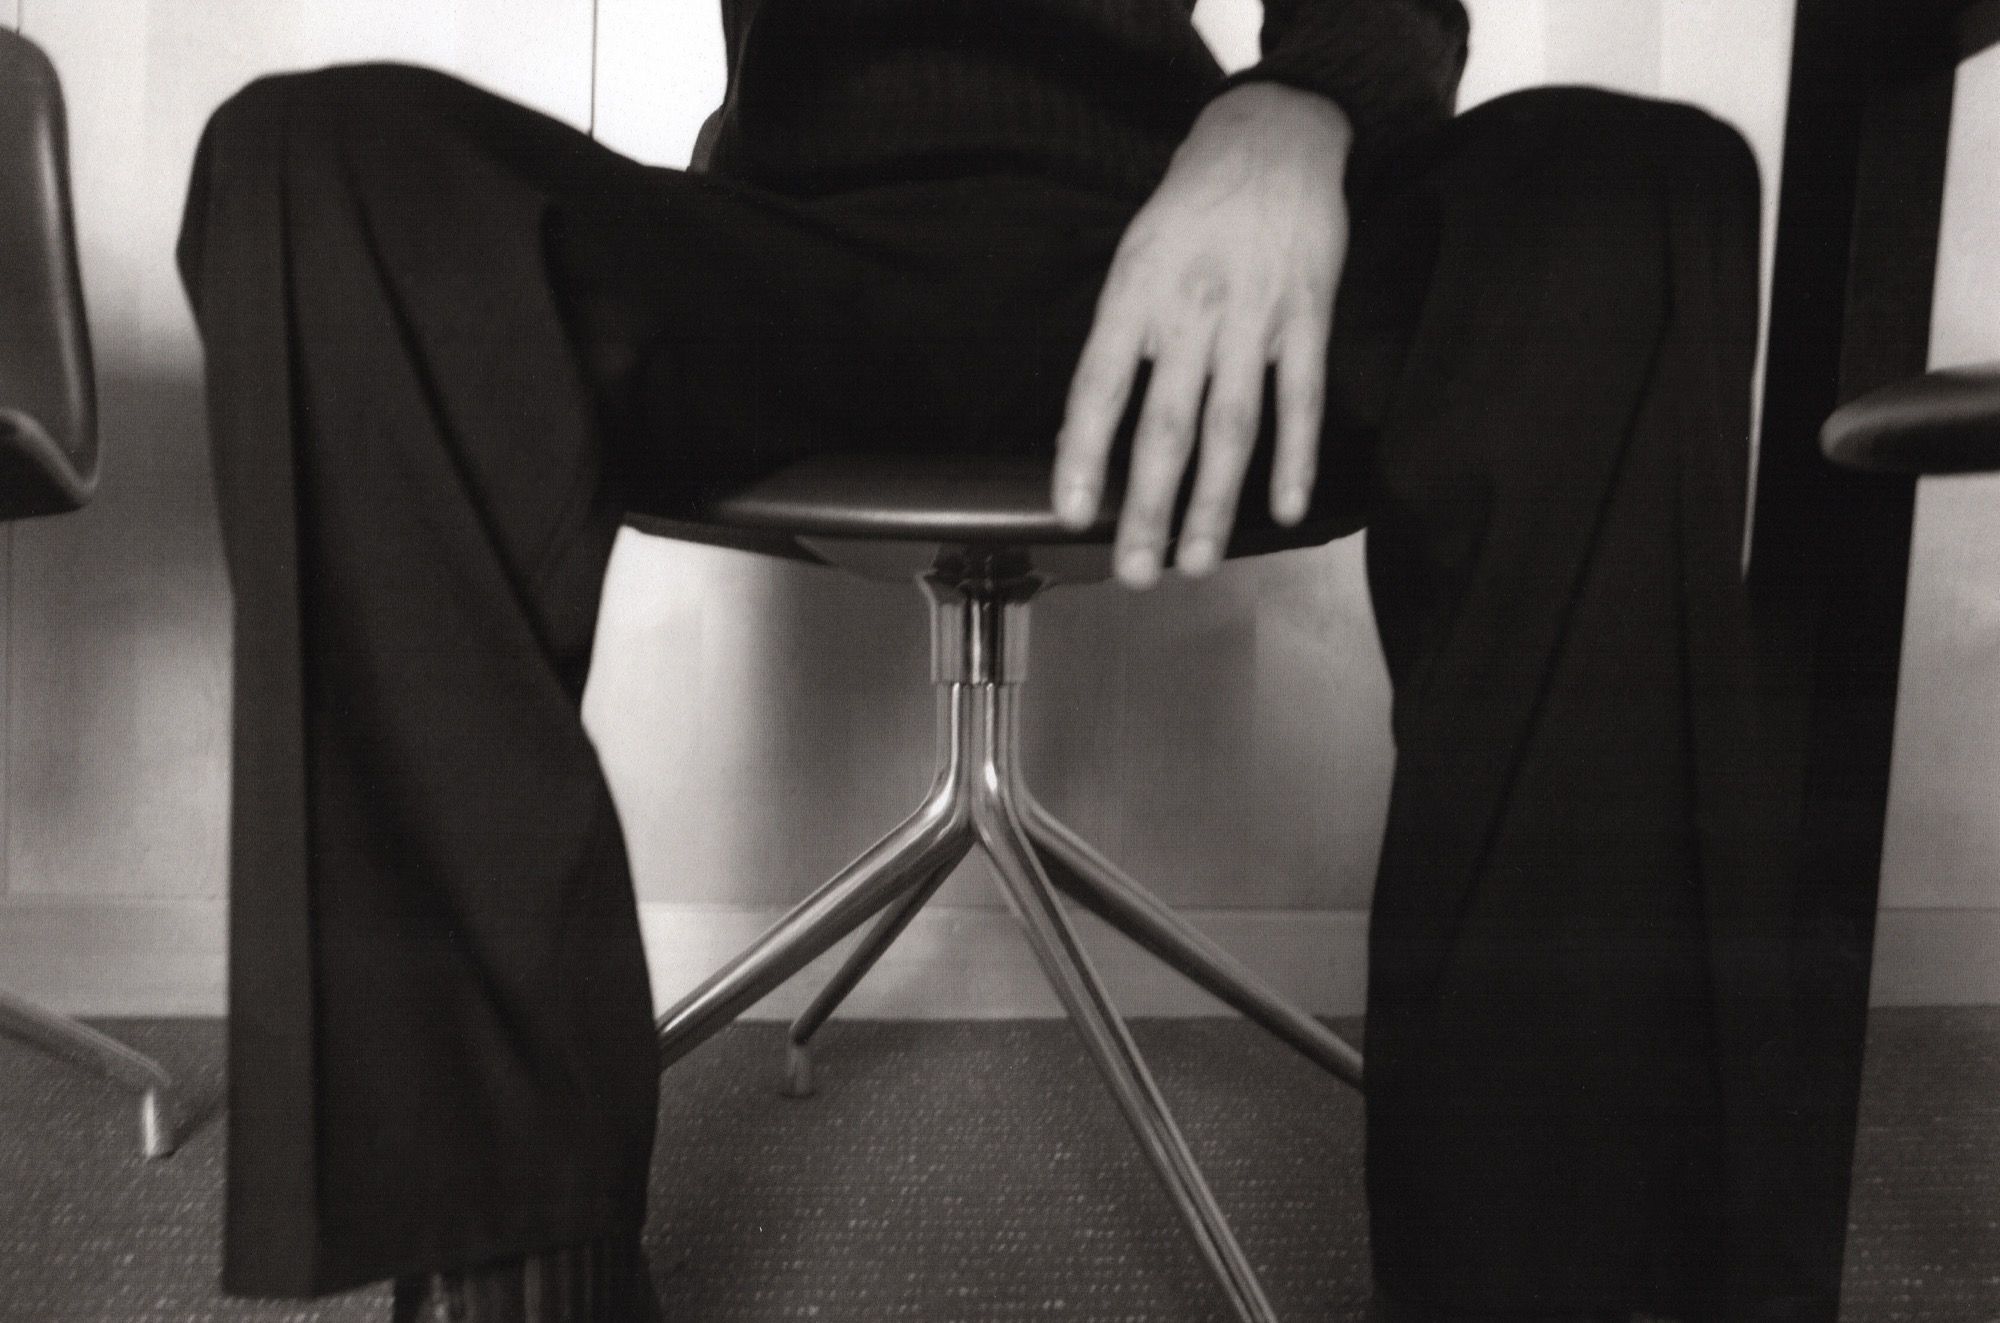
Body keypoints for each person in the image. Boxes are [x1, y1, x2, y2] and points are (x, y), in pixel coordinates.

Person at [176, 0, 1828, 1319]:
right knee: (316, 162)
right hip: (782, 264)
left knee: (1632, 187)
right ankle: (521, 1260)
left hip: (1185, 265)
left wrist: (1299, 107)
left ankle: (1534, 1268)